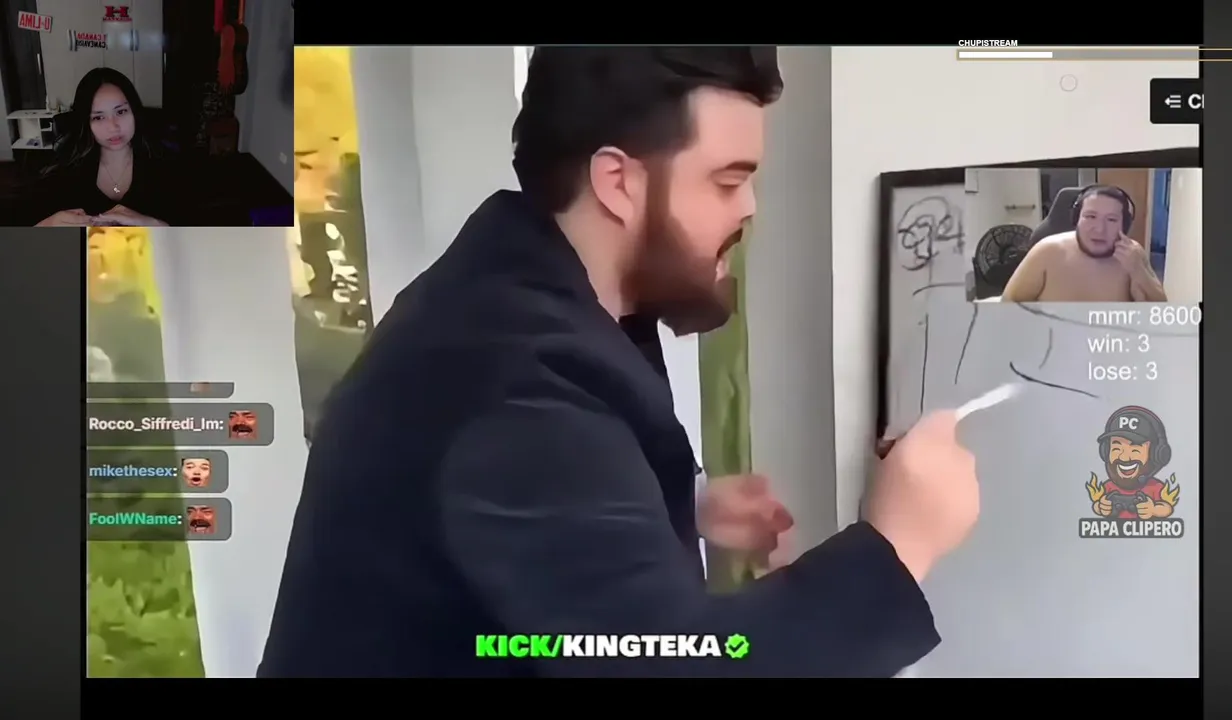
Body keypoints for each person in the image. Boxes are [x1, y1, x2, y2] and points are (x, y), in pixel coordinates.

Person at [259, 47, 979, 678]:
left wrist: (663, 503)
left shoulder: (513, 288)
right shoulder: (514, 383)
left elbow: (524, 517)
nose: (749, 208)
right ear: (618, 182)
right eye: (726, 182)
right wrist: (898, 545)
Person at [26, 68, 180, 228]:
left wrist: (153, 224)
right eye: (98, 117)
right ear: (86, 122)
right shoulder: (66, 169)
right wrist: (48, 225)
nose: (113, 127)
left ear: (134, 112)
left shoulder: (166, 165)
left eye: (121, 112)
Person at [1002, 185, 1167, 302]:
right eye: (1090, 217)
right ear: (1076, 219)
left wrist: (1138, 271)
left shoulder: (1133, 254)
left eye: (1111, 219)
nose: (1099, 229)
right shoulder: (1046, 251)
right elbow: (1008, 306)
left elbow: (1159, 312)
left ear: (1124, 225)